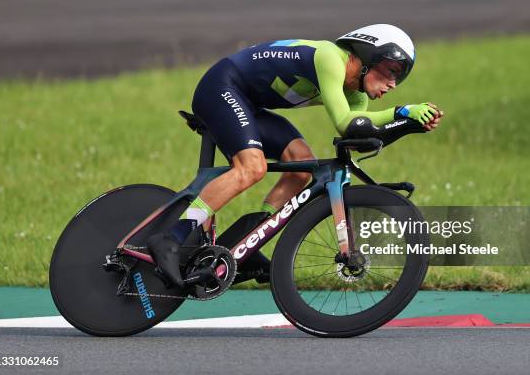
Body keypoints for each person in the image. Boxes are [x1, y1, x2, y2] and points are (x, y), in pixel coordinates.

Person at [147, 24, 443, 287]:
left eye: (398, 79)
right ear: (368, 55)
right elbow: (345, 123)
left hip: (248, 103)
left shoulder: (356, 95)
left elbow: (357, 138)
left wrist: (408, 126)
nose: (393, 84)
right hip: (222, 87)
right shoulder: (330, 57)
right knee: (252, 168)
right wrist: (401, 111)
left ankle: (245, 242)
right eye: (392, 72)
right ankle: (170, 238)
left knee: (301, 169)